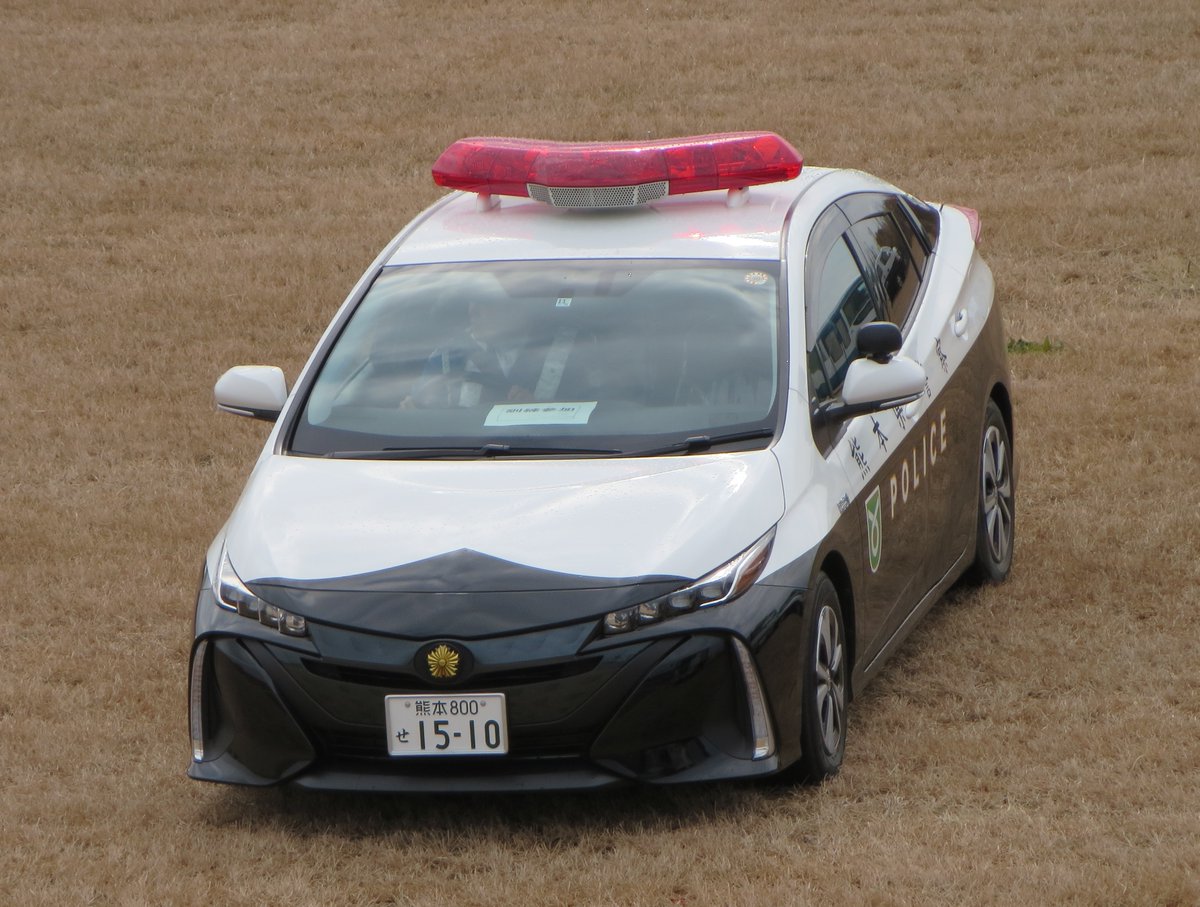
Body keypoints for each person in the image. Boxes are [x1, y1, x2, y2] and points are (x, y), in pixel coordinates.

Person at [403, 298, 546, 408]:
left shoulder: (557, 354)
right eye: (472, 301)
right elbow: (414, 410)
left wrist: (535, 409)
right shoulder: (446, 356)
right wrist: (414, 407)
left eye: (486, 302)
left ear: (517, 309)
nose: (473, 310)